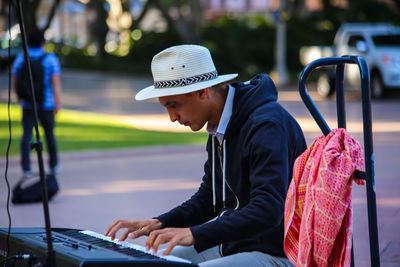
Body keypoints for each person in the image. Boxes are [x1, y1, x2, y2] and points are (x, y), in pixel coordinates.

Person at [105, 44, 307, 267]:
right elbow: (209, 197)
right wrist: (160, 223)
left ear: (202, 92)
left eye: (174, 105)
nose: (172, 117)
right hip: (236, 243)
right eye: (166, 108)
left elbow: (268, 210)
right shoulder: (220, 124)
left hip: (280, 252)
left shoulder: (265, 125)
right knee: (158, 262)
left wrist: (195, 234)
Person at [12, 29, 62, 177]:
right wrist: (57, 102)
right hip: (46, 104)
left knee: (27, 135)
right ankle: (53, 165)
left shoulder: (22, 58)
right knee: (49, 135)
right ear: (43, 43)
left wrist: (19, 96)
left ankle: (26, 168)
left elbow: (15, 79)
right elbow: (55, 83)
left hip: (28, 104)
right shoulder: (50, 59)